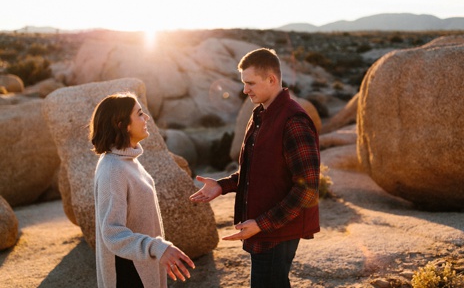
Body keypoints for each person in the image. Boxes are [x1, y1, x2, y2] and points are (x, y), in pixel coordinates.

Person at [190, 48, 321, 288]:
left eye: (250, 83)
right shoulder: (261, 114)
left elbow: (308, 189)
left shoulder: (294, 121)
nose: (244, 90)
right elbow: (257, 171)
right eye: (243, 83)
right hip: (263, 228)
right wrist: (222, 186)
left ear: (272, 80)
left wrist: (261, 224)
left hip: (276, 231)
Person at [91, 93, 195, 288]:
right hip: (128, 272)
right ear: (122, 124)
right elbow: (112, 232)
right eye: (139, 114)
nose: (146, 117)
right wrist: (156, 247)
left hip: (140, 265)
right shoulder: (113, 169)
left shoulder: (127, 161)